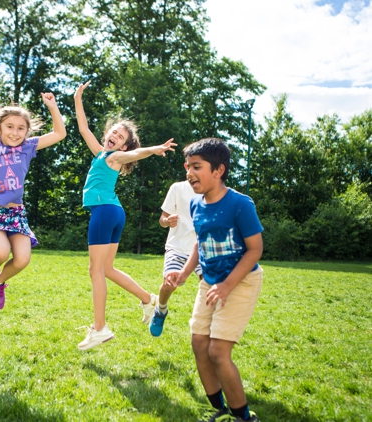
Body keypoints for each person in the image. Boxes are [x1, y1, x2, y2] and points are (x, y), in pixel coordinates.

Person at [74, 81, 176, 351]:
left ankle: (100, 329)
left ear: (124, 146)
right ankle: (147, 299)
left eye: (120, 137)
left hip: (105, 212)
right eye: (113, 132)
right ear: (107, 134)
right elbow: (83, 128)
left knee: (95, 270)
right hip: (114, 212)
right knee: (107, 269)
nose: (114, 137)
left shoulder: (114, 157)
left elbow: (135, 153)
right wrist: (77, 98)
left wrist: (153, 149)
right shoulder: (100, 153)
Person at [166, 138, 263, 422]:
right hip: (210, 282)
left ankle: (243, 417)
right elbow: (200, 242)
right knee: (199, 342)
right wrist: (184, 273)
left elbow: (255, 249)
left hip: (241, 281)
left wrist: (227, 285)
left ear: (218, 170)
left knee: (218, 351)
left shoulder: (240, 204)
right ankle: (218, 408)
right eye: (187, 167)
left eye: (197, 167)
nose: (189, 173)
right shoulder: (196, 205)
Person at [0, 79, 66, 310]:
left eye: (20, 128)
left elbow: (59, 133)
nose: (15, 132)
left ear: (27, 131)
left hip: (17, 213)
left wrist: (53, 107)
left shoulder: (28, 147)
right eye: (9, 126)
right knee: (1, 251)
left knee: (23, 259)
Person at [149, 180, 203, 337]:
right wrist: (167, 221)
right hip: (177, 247)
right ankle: (161, 309)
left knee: (209, 283)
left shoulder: (213, 190)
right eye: (190, 165)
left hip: (202, 248)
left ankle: (206, 324)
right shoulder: (177, 188)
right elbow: (162, 219)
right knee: (169, 283)